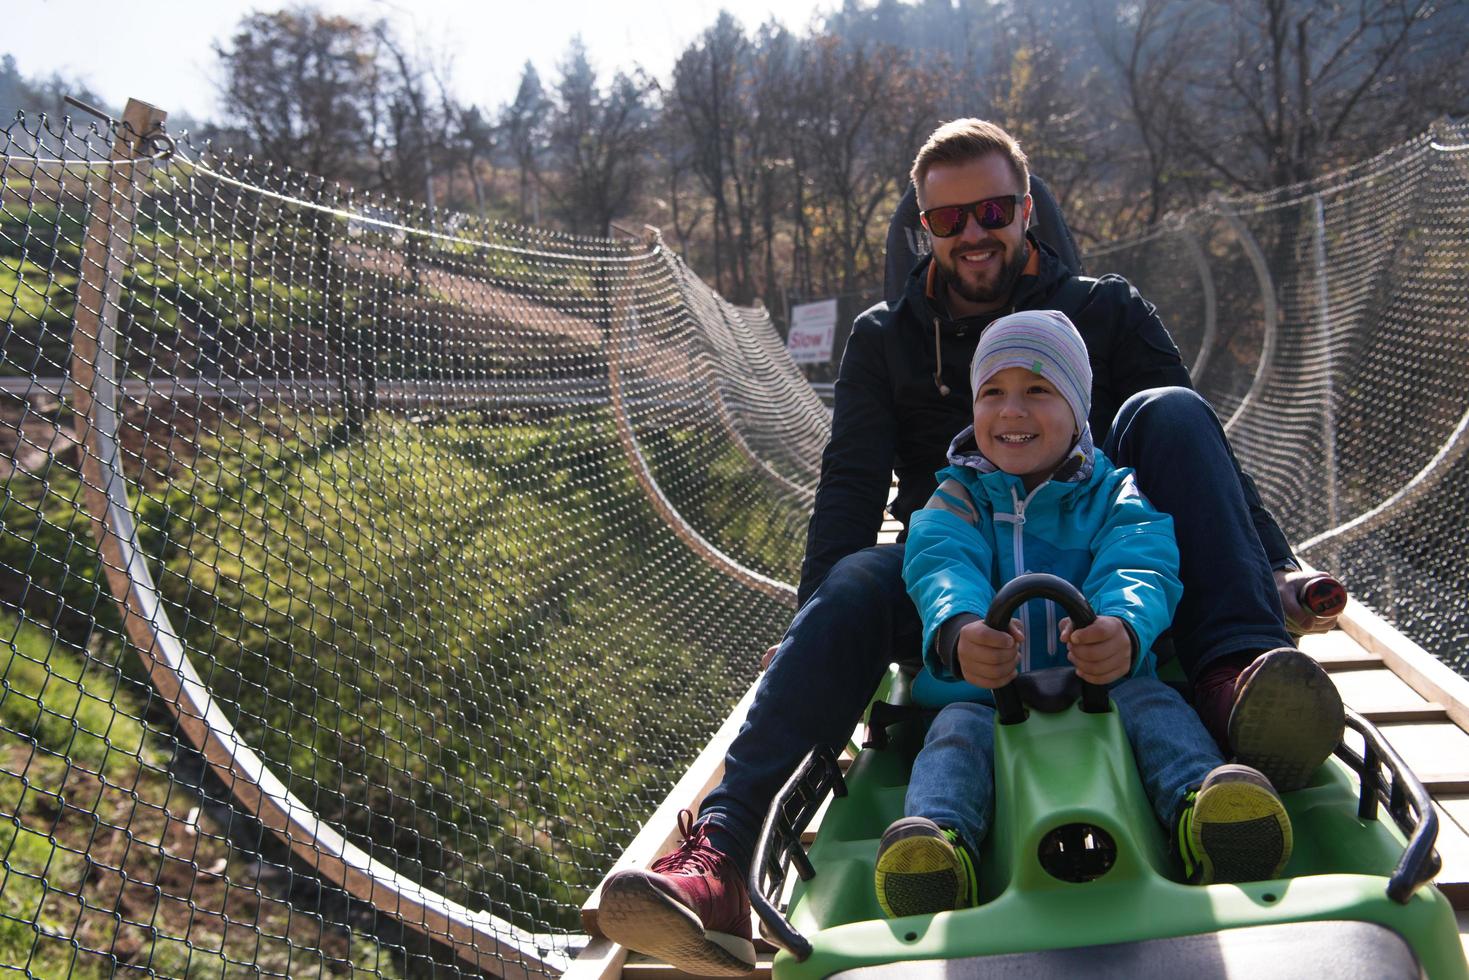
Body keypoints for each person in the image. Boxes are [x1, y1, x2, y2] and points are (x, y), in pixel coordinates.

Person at [597, 118, 1343, 977]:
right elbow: (848, 487)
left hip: (1105, 575)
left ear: (1025, 210)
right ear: (924, 228)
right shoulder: (886, 338)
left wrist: (1273, 565)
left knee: (1167, 408)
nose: (971, 234)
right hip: (955, 580)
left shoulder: (1102, 309)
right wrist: (815, 625)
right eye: (946, 220)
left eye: (990, 210)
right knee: (849, 585)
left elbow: (1196, 451)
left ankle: (1234, 677)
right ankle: (722, 861)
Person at [874, 309, 1292, 918]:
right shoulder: (957, 496)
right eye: (992, 393)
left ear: (1077, 410)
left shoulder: (1114, 492)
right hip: (987, 692)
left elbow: (1141, 562)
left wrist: (1124, 626)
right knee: (952, 740)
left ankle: (1204, 811)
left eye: (1038, 390)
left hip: (1106, 681)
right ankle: (939, 849)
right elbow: (938, 562)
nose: (1011, 411)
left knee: (1158, 710)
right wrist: (961, 628)